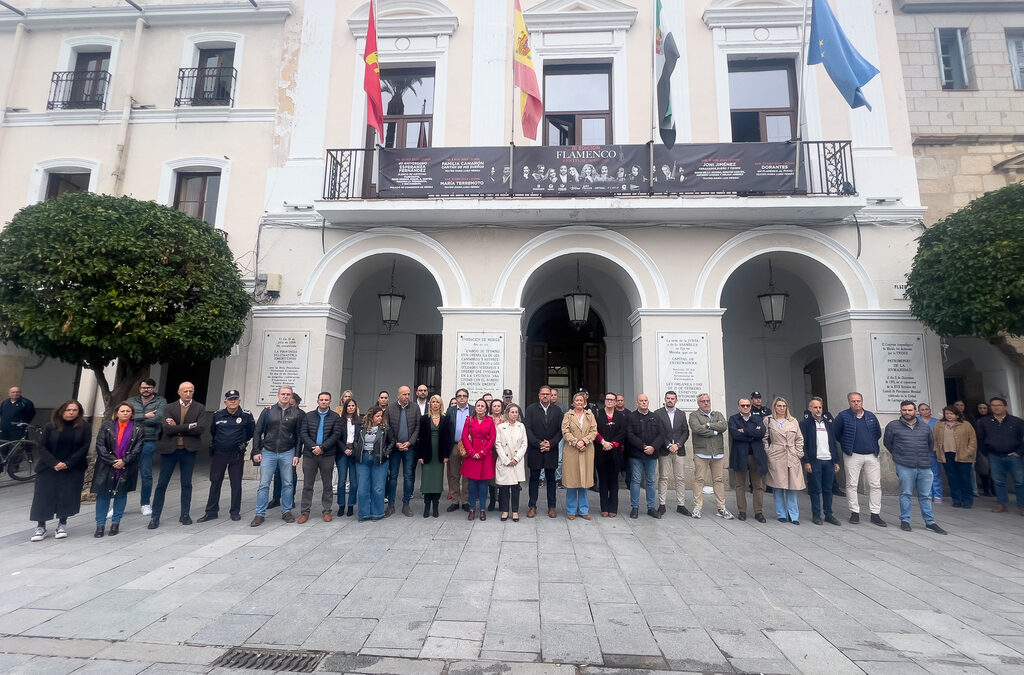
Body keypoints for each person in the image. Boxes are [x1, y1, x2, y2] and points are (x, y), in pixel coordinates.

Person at [29, 400, 90, 542]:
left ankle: (62, 524)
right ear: (62, 411)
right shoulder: (50, 426)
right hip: (48, 467)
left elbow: (85, 446)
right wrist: (54, 463)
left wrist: (68, 463)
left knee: (67, 495)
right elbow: (41, 446)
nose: (71, 412)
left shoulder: (84, 426)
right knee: (43, 495)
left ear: (79, 412)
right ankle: (41, 526)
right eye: (68, 410)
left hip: (72, 467)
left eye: (75, 410)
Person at [884, 401, 948, 534]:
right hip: (905, 465)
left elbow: (930, 444)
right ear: (901, 411)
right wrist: (898, 455)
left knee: (925, 495)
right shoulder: (893, 426)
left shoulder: (924, 427)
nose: (907, 412)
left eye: (910, 410)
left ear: (915, 412)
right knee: (906, 493)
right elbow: (887, 443)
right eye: (904, 410)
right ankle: (905, 520)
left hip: (924, 465)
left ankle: (930, 522)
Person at [149, 382, 205, 530]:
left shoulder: (199, 408)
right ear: (179, 392)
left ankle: (185, 514)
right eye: (185, 391)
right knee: (162, 484)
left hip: (188, 450)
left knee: (186, 484)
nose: (188, 394)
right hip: (170, 450)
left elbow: (200, 429)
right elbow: (167, 429)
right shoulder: (169, 408)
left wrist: (178, 428)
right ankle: (155, 516)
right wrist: (189, 426)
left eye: (191, 391)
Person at [249, 386, 303, 527]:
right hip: (269, 451)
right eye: (283, 394)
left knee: (288, 483)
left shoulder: (296, 413)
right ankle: (260, 514)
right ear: (278, 395)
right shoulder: (268, 411)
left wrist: (297, 454)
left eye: (288, 394)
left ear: (291, 397)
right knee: (264, 484)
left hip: (288, 451)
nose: (285, 396)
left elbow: (299, 435)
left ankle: (287, 511)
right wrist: (256, 451)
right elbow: (258, 431)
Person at [833, 392, 886, 527]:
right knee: (852, 484)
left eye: (858, 401)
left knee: (875, 485)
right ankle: (854, 512)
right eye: (853, 401)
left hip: (871, 454)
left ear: (862, 401)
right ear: (849, 402)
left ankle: (875, 513)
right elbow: (836, 433)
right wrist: (846, 445)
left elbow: (877, 433)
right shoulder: (843, 416)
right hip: (853, 454)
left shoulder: (870, 416)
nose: (856, 403)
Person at [200, 390, 254, 523]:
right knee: (215, 482)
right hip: (219, 453)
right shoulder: (217, 415)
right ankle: (211, 512)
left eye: (235, 399)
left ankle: (235, 512)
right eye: (230, 399)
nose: (233, 401)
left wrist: (240, 442)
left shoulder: (246, 415)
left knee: (236, 484)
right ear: (225, 402)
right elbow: (213, 431)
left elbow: (250, 432)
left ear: (239, 401)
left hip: (236, 454)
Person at [92, 401, 144, 537]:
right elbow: (100, 445)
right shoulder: (107, 426)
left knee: (121, 494)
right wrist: (113, 461)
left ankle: (115, 523)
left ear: (132, 414)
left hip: (126, 466)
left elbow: (138, 448)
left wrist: (124, 461)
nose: (125, 413)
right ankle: (100, 525)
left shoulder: (138, 428)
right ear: (117, 413)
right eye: (122, 411)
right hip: (107, 466)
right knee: (103, 495)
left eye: (128, 411)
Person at [298, 392, 342, 523]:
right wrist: (314, 447)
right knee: (307, 485)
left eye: (326, 400)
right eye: (321, 399)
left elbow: (336, 435)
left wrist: (322, 448)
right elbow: (303, 433)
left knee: (327, 484)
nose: (323, 402)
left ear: (330, 402)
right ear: (317, 401)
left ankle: (327, 511)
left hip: (327, 454)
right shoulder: (308, 416)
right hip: (310, 454)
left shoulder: (335, 417)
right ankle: (305, 512)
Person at [975, 397, 1024, 515]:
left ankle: (1022, 505)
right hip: (994, 455)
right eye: (993, 405)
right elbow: (980, 438)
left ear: (1005, 407)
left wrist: (1019, 452)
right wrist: (986, 452)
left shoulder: (1017, 421)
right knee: (998, 481)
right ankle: (1002, 503)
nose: (996, 407)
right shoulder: (984, 422)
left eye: (999, 405)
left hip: (1014, 455)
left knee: (1020, 481)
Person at [688, 393, 733, 520]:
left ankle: (721, 507)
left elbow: (724, 426)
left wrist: (708, 425)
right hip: (701, 452)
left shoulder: (717, 414)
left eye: (708, 400)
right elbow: (697, 429)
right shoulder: (694, 415)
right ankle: (697, 507)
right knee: (699, 480)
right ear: (698, 403)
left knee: (718, 480)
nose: (706, 403)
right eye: (703, 401)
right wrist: (715, 431)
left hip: (717, 453)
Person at [800, 397, 841, 526]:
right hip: (814, 461)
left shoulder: (828, 424)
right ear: (810, 409)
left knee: (828, 489)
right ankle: (816, 515)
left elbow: (833, 443)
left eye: (820, 407)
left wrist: (836, 461)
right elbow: (803, 444)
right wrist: (806, 461)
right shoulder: (805, 424)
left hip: (829, 461)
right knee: (815, 489)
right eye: (815, 407)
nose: (818, 410)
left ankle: (829, 514)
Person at [127, 378, 166, 517]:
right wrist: (145, 416)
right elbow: (125, 417)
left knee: (146, 473)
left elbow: (158, 419)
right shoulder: (131, 401)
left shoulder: (161, 401)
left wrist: (135, 418)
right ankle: (118, 504)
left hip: (148, 440)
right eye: (143, 387)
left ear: (153, 388)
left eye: (149, 387)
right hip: (129, 440)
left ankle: (145, 503)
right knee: (124, 473)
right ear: (140, 389)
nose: (146, 390)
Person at [765, 396, 805, 524]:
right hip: (776, 454)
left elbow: (799, 438)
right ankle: (781, 513)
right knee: (778, 486)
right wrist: (768, 451)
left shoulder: (793, 421)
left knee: (792, 486)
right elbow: (764, 438)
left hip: (791, 454)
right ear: (774, 407)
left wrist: (798, 453)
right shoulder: (768, 420)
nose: (782, 408)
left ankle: (794, 515)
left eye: (784, 406)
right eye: (779, 406)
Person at [524, 385, 562, 518]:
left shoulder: (557, 410)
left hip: (551, 450)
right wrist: (538, 443)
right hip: (536, 449)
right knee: (534, 478)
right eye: (543, 394)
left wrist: (551, 443)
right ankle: (532, 506)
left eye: (547, 394)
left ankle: (552, 507)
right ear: (539, 395)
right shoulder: (531, 409)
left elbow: (560, 430)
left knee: (551, 479)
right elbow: (527, 428)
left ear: (551, 396)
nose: (545, 396)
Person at [728, 397, 768, 522]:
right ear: (738, 407)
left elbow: (761, 433)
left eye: (747, 405)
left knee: (758, 485)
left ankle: (758, 512)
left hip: (756, 456)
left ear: (751, 406)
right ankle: (742, 511)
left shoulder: (758, 418)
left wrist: (744, 431)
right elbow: (735, 434)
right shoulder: (733, 419)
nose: (745, 407)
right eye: (743, 405)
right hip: (740, 455)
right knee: (740, 485)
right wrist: (752, 433)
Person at [654, 391, 691, 515]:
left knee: (680, 478)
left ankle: (681, 505)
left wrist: (678, 445)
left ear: (676, 400)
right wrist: (669, 445)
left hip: (679, 450)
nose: (670, 400)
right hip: (665, 450)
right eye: (668, 398)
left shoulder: (681, 414)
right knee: (663, 477)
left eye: (672, 398)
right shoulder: (658, 413)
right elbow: (658, 432)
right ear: (665, 399)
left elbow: (685, 432)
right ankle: (662, 505)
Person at [561, 393, 597, 520]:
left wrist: (584, 441)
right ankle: (571, 510)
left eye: (581, 400)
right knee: (572, 481)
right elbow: (565, 431)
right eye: (577, 400)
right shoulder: (568, 415)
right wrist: (576, 442)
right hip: (572, 450)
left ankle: (584, 510)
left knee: (584, 481)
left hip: (586, 450)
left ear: (585, 402)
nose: (579, 402)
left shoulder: (590, 415)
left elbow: (594, 431)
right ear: (573, 402)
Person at [627, 394, 663, 519]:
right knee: (636, 480)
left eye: (645, 400)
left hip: (651, 455)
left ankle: (651, 508)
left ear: (648, 402)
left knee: (651, 481)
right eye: (641, 401)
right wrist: (643, 447)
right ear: (637, 403)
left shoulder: (655, 417)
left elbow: (661, 435)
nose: (643, 402)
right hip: (636, 455)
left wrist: (653, 447)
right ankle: (635, 507)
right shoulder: (631, 417)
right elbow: (629, 435)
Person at [354, 406, 394, 521]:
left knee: (378, 487)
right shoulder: (362, 428)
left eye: (381, 416)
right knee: (362, 487)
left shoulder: (385, 428)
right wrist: (357, 451)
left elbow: (392, 441)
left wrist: (386, 453)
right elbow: (356, 440)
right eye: (377, 416)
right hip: (363, 458)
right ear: (371, 416)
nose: (380, 418)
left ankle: (377, 513)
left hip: (379, 459)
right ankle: (364, 514)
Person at [933, 405, 977, 509]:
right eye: (947, 413)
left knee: (965, 478)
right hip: (946, 454)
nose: (949, 415)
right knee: (952, 478)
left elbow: (973, 440)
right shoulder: (939, 425)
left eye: (951, 413)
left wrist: (968, 451)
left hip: (963, 454)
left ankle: (967, 500)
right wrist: (936, 450)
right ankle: (957, 500)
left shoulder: (965, 425)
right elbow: (934, 438)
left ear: (957, 415)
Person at [386, 385, 420, 517]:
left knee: (408, 475)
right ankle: (391, 505)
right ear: (398, 395)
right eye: (404, 394)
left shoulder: (415, 408)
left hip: (409, 448)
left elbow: (417, 427)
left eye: (408, 394)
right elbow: (387, 427)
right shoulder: (390, 408)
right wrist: (396, 443)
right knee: (393, 476)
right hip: (395, 448)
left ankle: (406, 504)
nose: (407, 396)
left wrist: (410, 442)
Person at [416, 395, 451, 518]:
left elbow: (448, 438)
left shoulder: (446, 418)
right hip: (427, 453)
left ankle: (435, 506)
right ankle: (427, 506)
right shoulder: (424, 418)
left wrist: (446, 455)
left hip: (439, 454)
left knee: (437, 481)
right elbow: (420, 438)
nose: (435, 404)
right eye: (433, 402)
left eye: (437, 402)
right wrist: (420, 455)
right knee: (427, 481)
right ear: (430, 404)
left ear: (440, 404)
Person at [462, 399, 496, 520]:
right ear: (475, 408)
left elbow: (492, 438)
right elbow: (464, 437)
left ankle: (482, 509)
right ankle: (471, 509)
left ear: (486, 409)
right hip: (472, 455)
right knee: (471, 485)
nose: (480, 408)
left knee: (483, 485)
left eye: (482, 406)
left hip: (485, 456)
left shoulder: (490, 420)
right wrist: (471, 452)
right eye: (478, 406)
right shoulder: (469, 420)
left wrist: (483, 452)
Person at [595, 392, 626, 517]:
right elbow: (594, 431)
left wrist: (612, 444)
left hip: (615, 453)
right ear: (605, 401)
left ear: (615, 402)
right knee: (603, 481)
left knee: (613, 481)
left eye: (612, 399)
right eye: (607, 399)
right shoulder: (598, 415)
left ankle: (613, 508)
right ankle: (604, 507)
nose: (609, 401)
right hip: (601, 451)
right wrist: (603, 442)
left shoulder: (620, 417)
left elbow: (623, 433)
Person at [495, 403, 527, 522]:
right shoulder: (500, 427)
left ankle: (515, 511)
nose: (514, 414)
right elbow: (497, 444)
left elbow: (524, 443)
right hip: (505, 461)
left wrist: (516, 458)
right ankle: (504, 510)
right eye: (512, 412)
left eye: (516, 412)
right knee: (504, 488)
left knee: (515, 487)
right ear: (507, 413)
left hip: (516, 461)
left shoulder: (521, 426)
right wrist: (506, 460)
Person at [446, 388, 472, 512]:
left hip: (468, 446)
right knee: (454, 474)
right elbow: (447, 428)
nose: (462, 398)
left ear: (467, 397)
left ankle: (465, 501)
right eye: (459, 396)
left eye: (464, 396)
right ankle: (455, 500)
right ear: (456, 398)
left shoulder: (472, 410)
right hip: (454, 445)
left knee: (467, 475)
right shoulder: (450, 410)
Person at [336, 398, 361, 517]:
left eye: (353, 405)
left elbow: (360, 438)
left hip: (354, 452)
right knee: (341, 481)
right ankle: (341, 505)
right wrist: (344, 449)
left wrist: (353, 449)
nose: (351, 408)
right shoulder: (339, 421)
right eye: (349, 406)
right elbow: (337, 438)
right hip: (342, 452)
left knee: (354, 482)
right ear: (345, 407)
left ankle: (351, 505)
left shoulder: (359, 421)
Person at [917, 403, 941, 503]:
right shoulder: (916, 421)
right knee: (924, 474)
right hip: (920, 450)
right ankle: (928, 494)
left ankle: (938, 495)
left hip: (933, 450)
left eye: (927, 409)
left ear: (930, 410)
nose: (925, 411)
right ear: (918, 411)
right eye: (922, 410)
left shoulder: (937, 422)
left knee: (935, 473)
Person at [971, 401, 994, 497]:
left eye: (984, 408)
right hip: (980, 447)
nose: (982, 410)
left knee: (993, 469)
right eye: (980, 408)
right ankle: (986, 489)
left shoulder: (992, 419)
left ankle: (993, 489)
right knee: (984, 469)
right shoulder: (974, 419)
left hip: (992, 447)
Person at [488, 398, 505, 511]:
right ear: (491, 408)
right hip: (490, 450)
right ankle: (492, 500)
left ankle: (502, 501)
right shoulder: (488, 419)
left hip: (503, 450)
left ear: (502, 408)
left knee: (502, 475)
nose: (496, 408)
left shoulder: (506, 419)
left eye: (498, 406)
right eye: (494, 406)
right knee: (491, 476)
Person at [550, 387, 564, 488]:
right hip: (547, 435)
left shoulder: (562, 408)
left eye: (555, 395)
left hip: (559, 435)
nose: (553, 397)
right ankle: (541, 478)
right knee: (544, 455)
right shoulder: (545, 406)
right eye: (552, 395)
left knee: (559, 458)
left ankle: (558, 478)